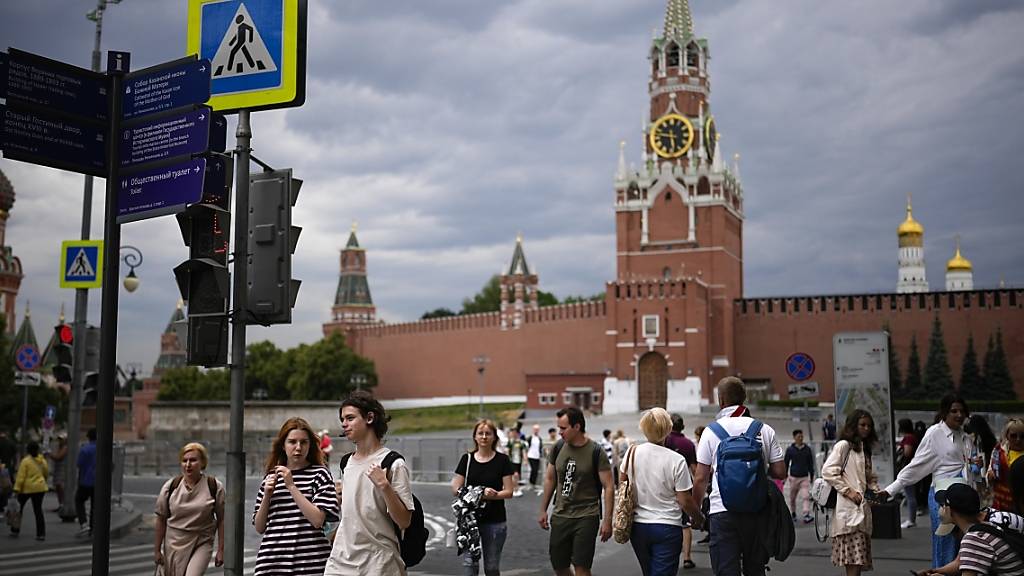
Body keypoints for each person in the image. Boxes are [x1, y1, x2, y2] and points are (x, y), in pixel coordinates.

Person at [693, 376, 786, 576]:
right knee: (755, 568)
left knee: (726, 570)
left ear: (721, 400)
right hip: (757, 510)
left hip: (722, 511)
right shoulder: (764, 429)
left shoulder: (710, 432)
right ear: (744, 398)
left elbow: (700, 478)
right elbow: (780, 472)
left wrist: (696, 512)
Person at [877, 394, 978, 568]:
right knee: (945, 544)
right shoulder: (934, 434)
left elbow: (968, 467)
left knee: (962, 547)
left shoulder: (965, 437)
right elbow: (916, 466)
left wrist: (975, 465)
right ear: (945, 412)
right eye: (954, 411)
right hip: (942, 498)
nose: (959, 415)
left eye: (962, 411)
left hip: (964, 497)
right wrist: (891, 490)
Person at [326, 392, 413, 576]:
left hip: (379, 563)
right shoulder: (346, 463)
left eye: (350, 418)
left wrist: (384, 486)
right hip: (341, 559)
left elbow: (404, 521)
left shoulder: (393, 463)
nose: (344, 424)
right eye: (342, 419)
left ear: (370, 418)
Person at [254, 417, 339, 576]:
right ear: (283, 445)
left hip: (310, 564)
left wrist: (291, 486)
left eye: (304, 442)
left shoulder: (320, 475)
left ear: (310, 445)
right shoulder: (271, 478)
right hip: (271, 563)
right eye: (292, 442)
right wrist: (267, 495)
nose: (298, 448)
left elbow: (318, 520)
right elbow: (259, 527)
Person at [538, 407, 614, 576]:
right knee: (559, 566)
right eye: (559, 428)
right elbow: (550, 478)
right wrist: (543, 509)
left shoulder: (596, 451)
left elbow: (609, 486)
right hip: (560, 514)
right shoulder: (558, 447)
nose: (560, 432)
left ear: (577, 427)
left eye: (563, 428)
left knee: (581, 567)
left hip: (587, 515)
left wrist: (608, 520)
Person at [627, 408, 703, 575]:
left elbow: (623, 484)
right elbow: (685, 500)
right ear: (668, 429)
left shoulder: (632, 453)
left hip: (638, 526)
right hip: (667, 525)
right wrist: (698, 518)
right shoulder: (676, 460)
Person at [913, 482, 1024, 576]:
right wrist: (935, 571)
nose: (940, 509)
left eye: (942, 505)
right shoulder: (990, 519)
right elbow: (961, 561)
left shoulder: (975, 539)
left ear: (949, 510)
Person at [452, 420, 515, 576]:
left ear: (494, 437)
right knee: (469, 565)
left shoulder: (502, 460)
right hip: (469, 521)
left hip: (495, 520)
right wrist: (479, 493)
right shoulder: (466, 459)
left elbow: (509, 491)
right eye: (480, 433)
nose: (484, 437)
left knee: (491, 567)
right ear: (475, 437)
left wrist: (492, 496)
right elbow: (455, 488)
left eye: (488, 433)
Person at [822, 410, 880, 576]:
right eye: (862, 425)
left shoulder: (864, 448)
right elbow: (828, 471)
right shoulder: (844, 446)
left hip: (861, 511)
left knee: (857, 563)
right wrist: (848, 491)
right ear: (853, 426)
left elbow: (870, 477)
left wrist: (875, 492)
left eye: (869, 425)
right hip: (848, 512)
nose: (866, 428)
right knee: (853, 564)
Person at [155, 442, 225, 576]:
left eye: (193, 460)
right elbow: (160, 519)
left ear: (202, 463)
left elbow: (222, 520)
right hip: (173, 544)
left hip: (202, 541)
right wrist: (157, 550)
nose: (188, 464)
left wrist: (221, 550)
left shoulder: (214, 486)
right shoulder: (171, 487)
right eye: (184, 460)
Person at [663, 413, 698, 568]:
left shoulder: (665, 441)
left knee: (666, 520)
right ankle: (687, 557)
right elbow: (695, 469)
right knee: (685, 524)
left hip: (665, 486)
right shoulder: (688, 443)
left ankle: (667, 556)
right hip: (684, 486)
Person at [11, 441, 48, 540]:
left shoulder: (25, 461)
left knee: (19, 508)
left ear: (28, 450)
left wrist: (16, 489)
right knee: (38, 510)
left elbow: (21, 477)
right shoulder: (42, 460)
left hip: (26, 488)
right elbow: (46, 473)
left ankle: (15, 529)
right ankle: (41, 534)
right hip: (40, 488)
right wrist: (43, 481)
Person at [989, 418, 1024, 512]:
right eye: (1013, 436)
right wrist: (990, 475)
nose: (1018, 439)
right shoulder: (998, 452)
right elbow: (990, 471)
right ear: (1007, 436)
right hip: (1000, 504)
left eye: (1022, 436)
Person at [784, 429, 815, 524]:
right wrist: (784, 476)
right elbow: (786, 463)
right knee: (792, 497)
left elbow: (810, 463)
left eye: (802, 436)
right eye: (798, 437)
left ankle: (806, 514)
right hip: (793, 477)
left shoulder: (807, 449)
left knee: (806, 496)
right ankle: (793, 513)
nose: (801, 438)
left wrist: (812, 474)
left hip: (804, 477)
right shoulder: (790, 450)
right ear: (794, 438)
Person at [897, 418, 921, 528]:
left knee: (910, 494)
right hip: (913, 468)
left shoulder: (908, 438)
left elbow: (907, 453)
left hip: (908, 468)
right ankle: (912, 518)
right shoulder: (913, 437)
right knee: (910, 494)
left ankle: (911, 519)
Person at [76, 428, 98, 535]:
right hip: (98, 482)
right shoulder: (103, 449)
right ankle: (93, 528)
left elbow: (79, 464)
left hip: (85, 480)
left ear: (88, 437)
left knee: (79, 500)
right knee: (95, 505)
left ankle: (83, 523)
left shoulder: (85, 449)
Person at [49, 434, 68, 511]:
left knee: (60, 486)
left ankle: (63, 504)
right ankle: (61, 504)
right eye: (59, 439)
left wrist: (49, 454)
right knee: (58, 487)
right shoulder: (60, 447)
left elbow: (58, 457)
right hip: (58, 469)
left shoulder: (65, 448)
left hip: (62, 469)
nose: (60, 441)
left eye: (61, 439)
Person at [506, 428, 526, 498]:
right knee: (515, 475)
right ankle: (515, 489)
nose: (513, 434)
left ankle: (515, 488)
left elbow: (523, 451)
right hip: (512, 461)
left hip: (518, 461)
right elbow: (507, 451)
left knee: (517, 476)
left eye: (514, 433)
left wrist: (525, 459)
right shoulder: (510, 442)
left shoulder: (521, 442)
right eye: (512, 433)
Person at [526, 424, 545, 492]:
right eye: (535, 429)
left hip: (537, 456)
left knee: (536, 471)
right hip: (530, 456)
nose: (536, 431)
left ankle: (533, 484)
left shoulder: (539, 438)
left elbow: (540, 447)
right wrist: (525, 456)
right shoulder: (530, 438)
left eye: (537, 429)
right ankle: (531, 483)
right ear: (533, 430)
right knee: (533, 469)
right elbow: (526, 447)